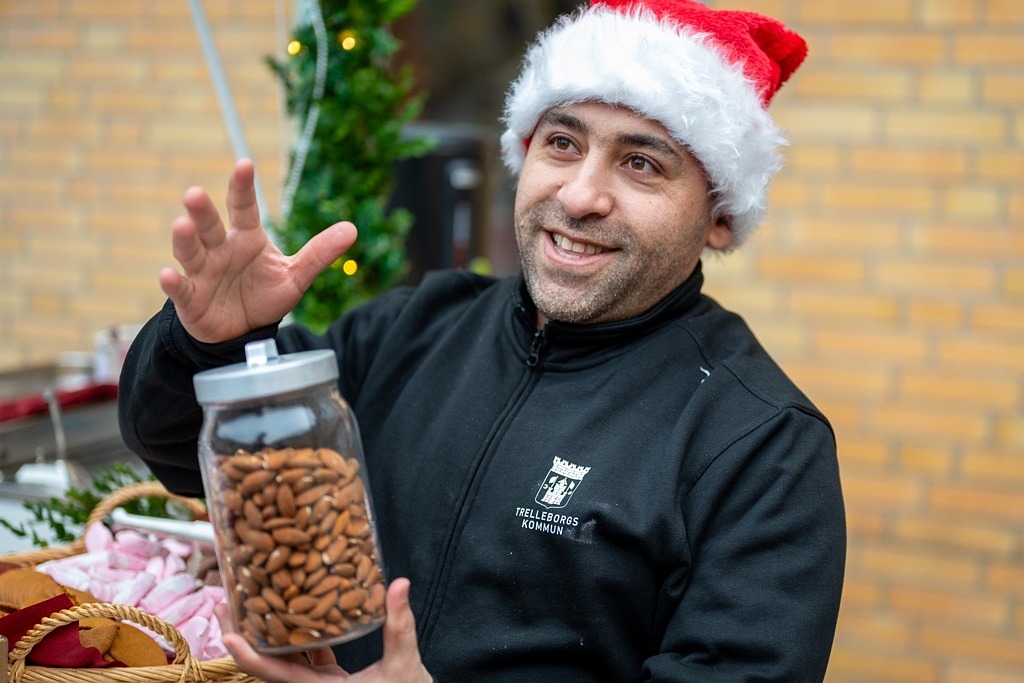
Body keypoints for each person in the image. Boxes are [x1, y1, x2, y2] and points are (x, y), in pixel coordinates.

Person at [118, 0, 845, 680]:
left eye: (642, 163)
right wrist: (212, 344)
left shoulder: (763, 443)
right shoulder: (415, 327)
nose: (580, 195)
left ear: (718, 216)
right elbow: (193, 458)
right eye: (562, 142)